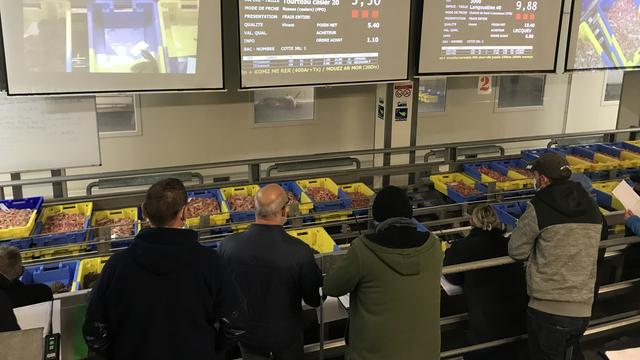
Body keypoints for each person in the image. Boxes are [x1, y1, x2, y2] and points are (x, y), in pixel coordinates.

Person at [83, 178, 244, 360]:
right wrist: (212, 348)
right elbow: (235, 322)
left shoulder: (117, 265)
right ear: (185, 212)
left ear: (143, 210)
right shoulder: (209, 262)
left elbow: (94, 329)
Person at [323, 186, 443, 360]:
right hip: (426, 353)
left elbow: (331, 287)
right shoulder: (434, 247)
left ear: (376, 217)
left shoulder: (363, 249)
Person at [509, 153, 604, 360]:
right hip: (582, 309)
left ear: (543, 179)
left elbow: (516, 250)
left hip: (548, 308)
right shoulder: (592, 209)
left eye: (535, 176)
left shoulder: (540, 206)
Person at [220, 184, 322, 360]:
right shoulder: (299, 251)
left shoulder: (228, 245)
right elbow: (314, 299)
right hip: (287, 337)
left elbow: (222, 293)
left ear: (255, 209)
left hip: (248, 337)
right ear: (283, 211)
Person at [444, 205, 529, 360]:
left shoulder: (462, 247)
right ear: (498, 222)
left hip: (484, 327)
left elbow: (452, 277)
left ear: (471, 221)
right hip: (518, 324)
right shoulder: (510, 245)